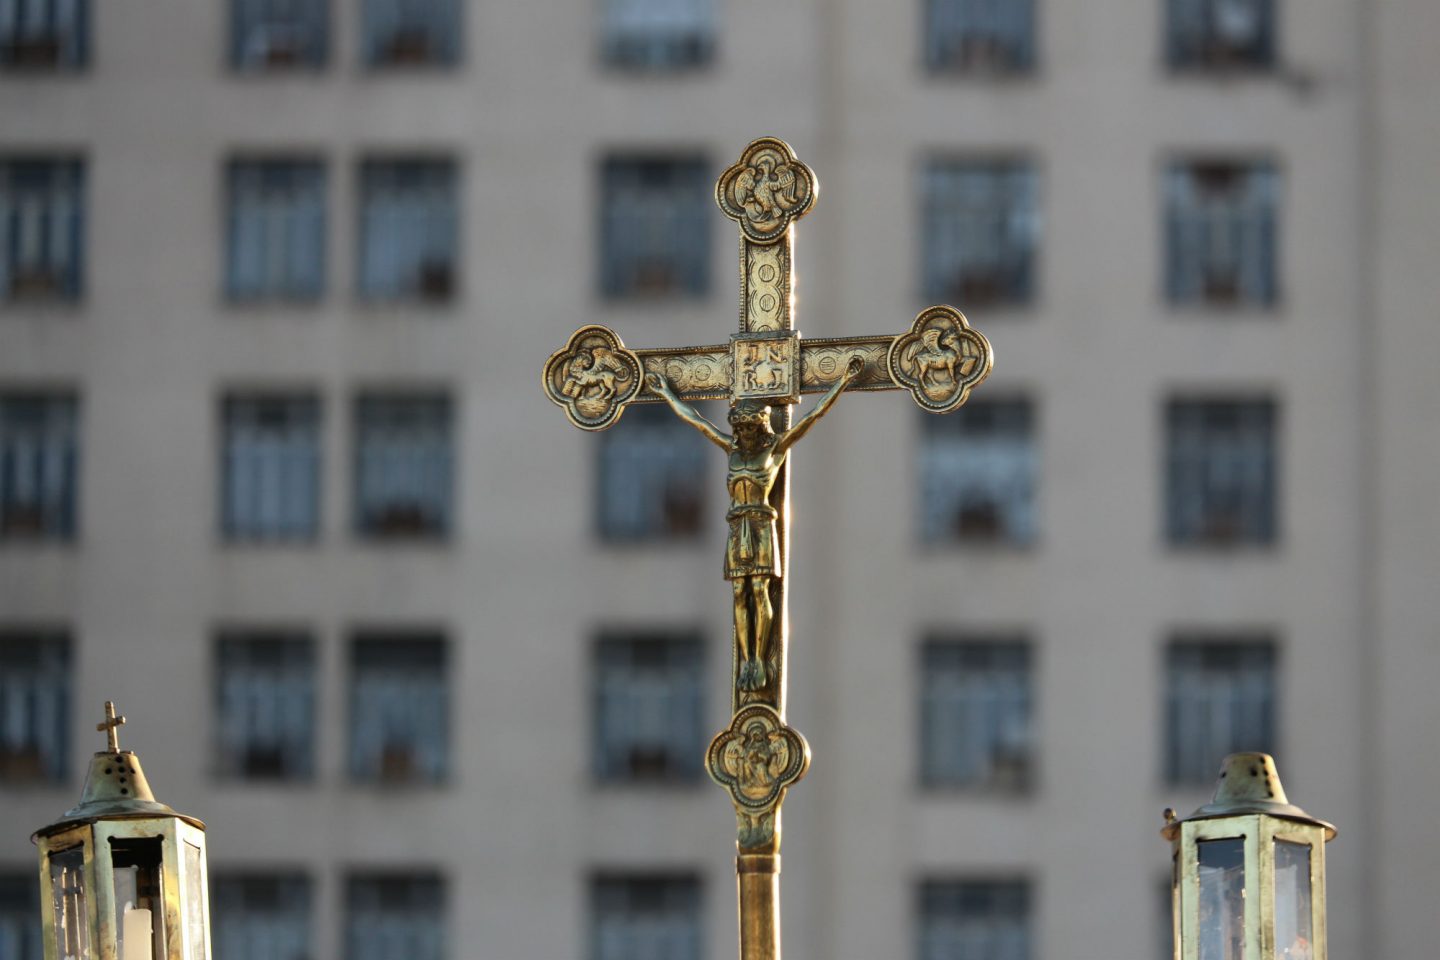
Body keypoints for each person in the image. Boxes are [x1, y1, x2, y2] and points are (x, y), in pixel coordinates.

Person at [647, 358, 863, 691]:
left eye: (749, 427)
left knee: (760, 589)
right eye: (740, 428)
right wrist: (667, 395)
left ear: (760, 426)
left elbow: (814, 415)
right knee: (738, 593)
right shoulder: (732, 449)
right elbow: (698, 422)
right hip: (737, 527)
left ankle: (760, 660)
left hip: (761, 525)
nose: (744, 433)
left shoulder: (774, 449)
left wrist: (843, 381)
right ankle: (746, 659)